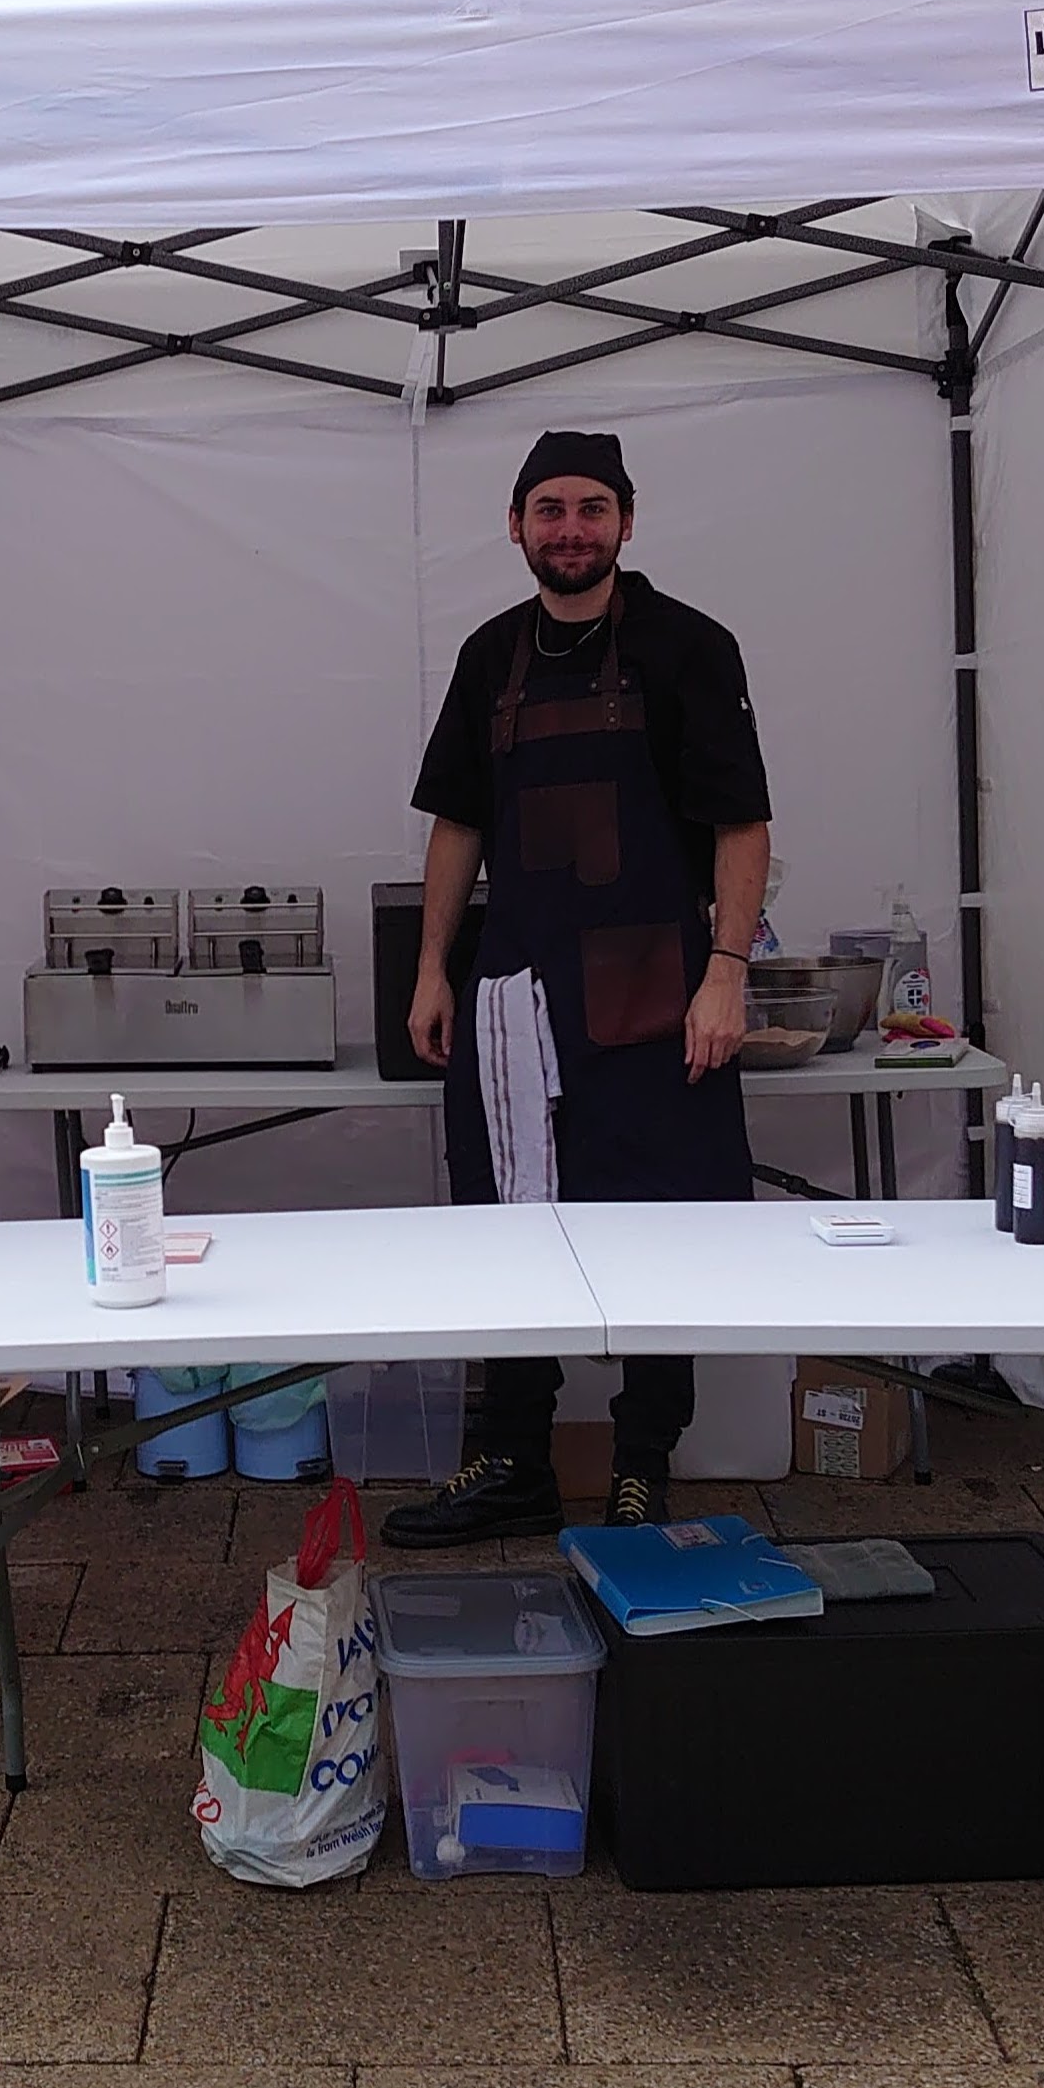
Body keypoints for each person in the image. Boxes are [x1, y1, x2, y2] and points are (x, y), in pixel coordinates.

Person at [383, 431, 771, 1544]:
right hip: (513, 986)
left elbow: (743, 820)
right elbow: (459, 821)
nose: (570, 528)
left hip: (659, 985)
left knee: (662, 1228)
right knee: (509, 1226)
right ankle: (512, 1458)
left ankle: (645, 1459)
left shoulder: (691, 646)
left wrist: (726, 975)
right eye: (548, 508)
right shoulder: (488, 655)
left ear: (626, 521)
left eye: (591, 508)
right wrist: (431, 970)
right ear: (515, 524)